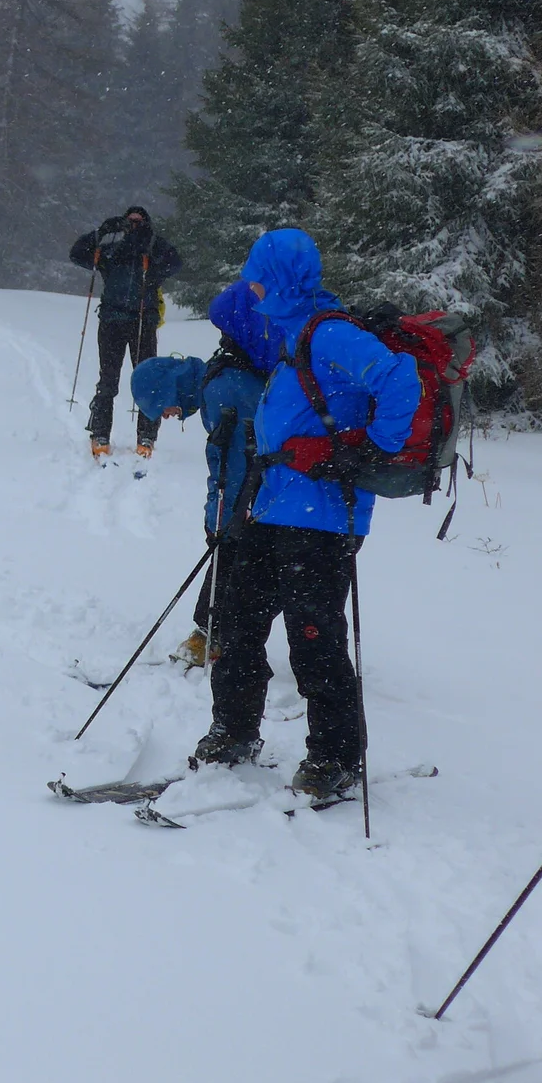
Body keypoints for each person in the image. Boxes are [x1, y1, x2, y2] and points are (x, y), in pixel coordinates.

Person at [194, 228, 419, 798]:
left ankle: (336, 758)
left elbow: (400, 380)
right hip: (270, 510)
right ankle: (234, 731)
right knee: (239, 621)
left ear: (281, 277)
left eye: (258, 274)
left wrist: (364, 450)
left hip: (321, 519)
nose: (253, 285)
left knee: (314, 640)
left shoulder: (330, 333)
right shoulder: (292, 334)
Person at [130, 280, 279, 669]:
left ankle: (211, 637)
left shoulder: (220, 392)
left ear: (167, 389)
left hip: (263, 492)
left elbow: (230, 465)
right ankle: (218, 637)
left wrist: (218, 518)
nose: (168, 415)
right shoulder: (222, 372)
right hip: (276, 486)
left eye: (162, 407)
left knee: (232, 554)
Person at [69, 205, 183, 459]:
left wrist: (151, 240)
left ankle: (146, 436)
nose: (134, 226)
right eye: (129, 222)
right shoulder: (112, 251)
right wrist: (100, 233)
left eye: (139, 222)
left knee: (147, 379)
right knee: (108, 380)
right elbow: (77, 254)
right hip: (111, 320)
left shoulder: (152, 253)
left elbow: (176, 263)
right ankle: (100, 433)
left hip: (143, 321)